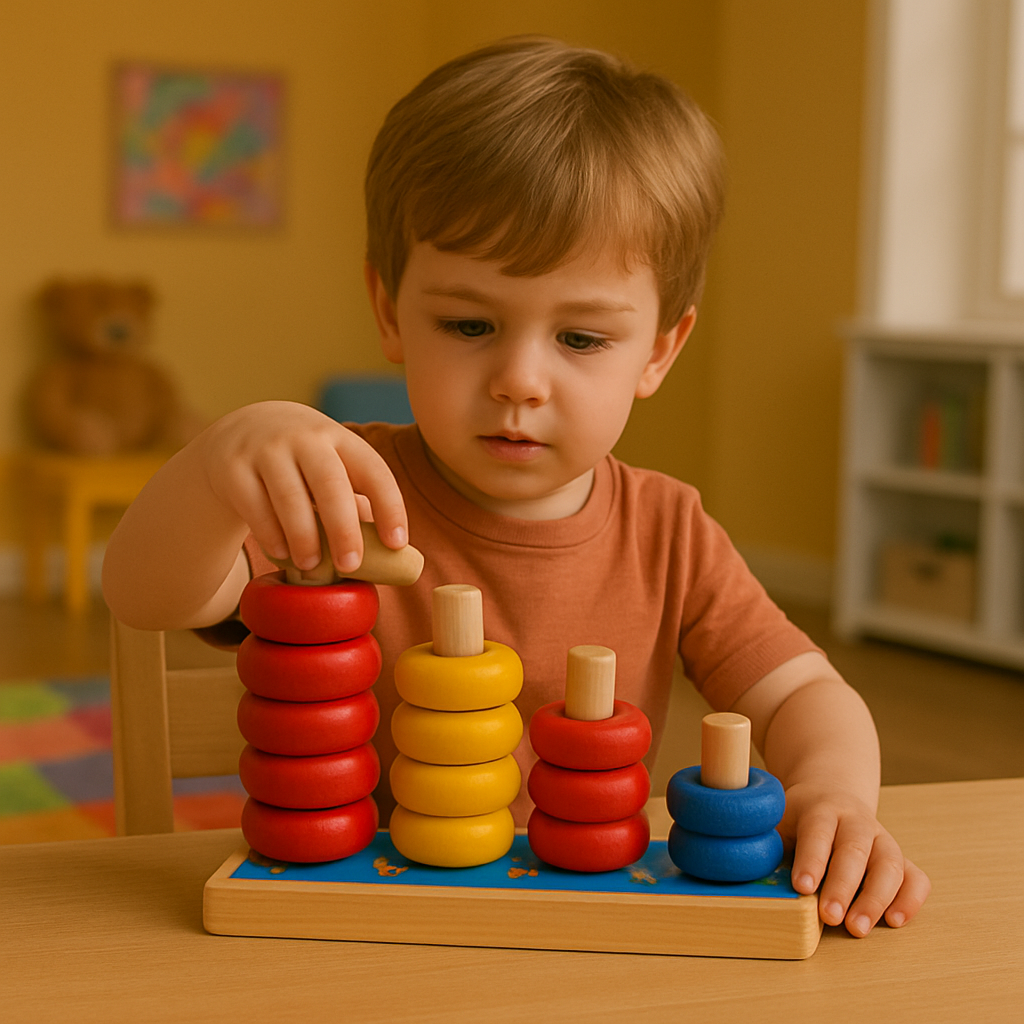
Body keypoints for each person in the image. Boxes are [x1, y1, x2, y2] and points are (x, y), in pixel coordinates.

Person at [102, 36, 930, 937]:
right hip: (353, 922)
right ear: (389, 311)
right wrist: (217, 466)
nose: (519, 380)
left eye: (580, 339)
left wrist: (836, 789)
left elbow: (804, 695)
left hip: (583, 926)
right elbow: (145, 592)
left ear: (660, 349)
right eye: (468, 322)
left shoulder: (670, 532)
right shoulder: (340, 491)